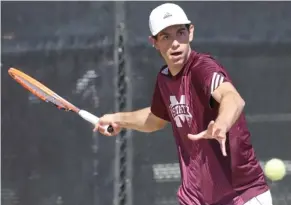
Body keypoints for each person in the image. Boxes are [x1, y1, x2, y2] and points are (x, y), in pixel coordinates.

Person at [94, 3, 272, 205]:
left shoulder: (203, 68)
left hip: (241, 195)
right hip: (195, 197)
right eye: (166, 37)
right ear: (154, 42)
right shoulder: (164, 79)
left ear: (191, 32)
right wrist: (118, 119)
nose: (175, 43)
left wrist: (221, 124)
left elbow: (232, 98)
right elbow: (155, 119)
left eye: (180, 33)